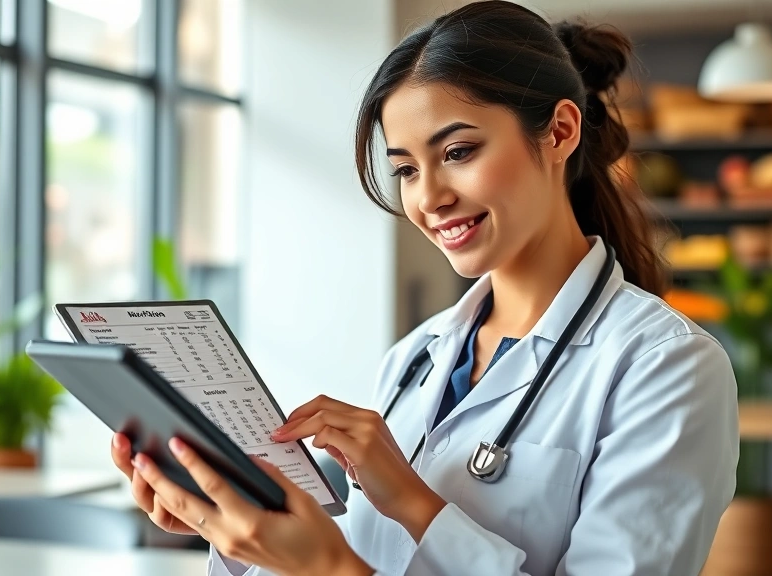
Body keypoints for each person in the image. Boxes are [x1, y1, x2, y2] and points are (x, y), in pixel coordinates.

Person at [110, 2, 739, 575]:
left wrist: (401, 510)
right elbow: (363, 555)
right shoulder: (415, 358)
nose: (430, 197)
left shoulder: (666, 367)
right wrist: (236, 527)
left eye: (458, 152)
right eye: (407, 168)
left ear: (559, 132)